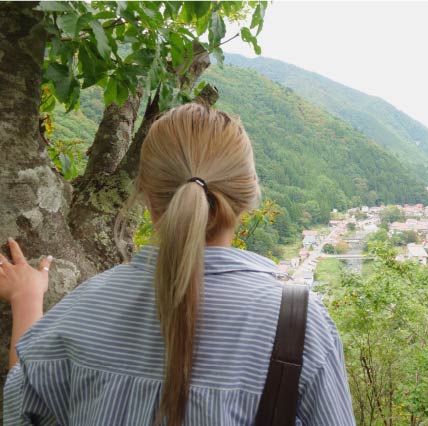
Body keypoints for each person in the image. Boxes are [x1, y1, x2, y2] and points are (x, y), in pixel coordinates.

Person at [2, 103, 356, 425]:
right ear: (248, 194)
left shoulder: (84, 308)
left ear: (147, 196)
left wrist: (27, 300)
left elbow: (21, 406)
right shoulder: (300, 326)